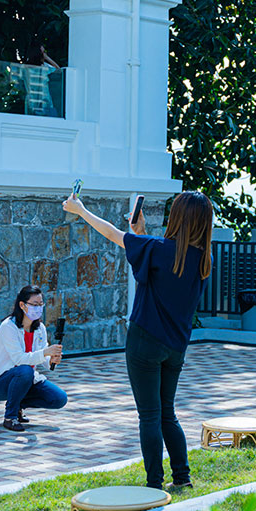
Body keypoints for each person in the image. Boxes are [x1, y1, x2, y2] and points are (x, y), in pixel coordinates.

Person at [62, 191, 213, 492]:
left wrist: (81, 211)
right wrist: (141, 233)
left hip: (145, 342)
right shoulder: (203, 259)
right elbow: (161, 262)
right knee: (167, 412)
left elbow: (113, 234)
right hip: (176, 347)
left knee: (149, 415)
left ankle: (154, 484)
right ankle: (182, 477)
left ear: (178, 218)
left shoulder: (157, 249)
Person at [0, 285, 69, 432]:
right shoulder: (8, 327)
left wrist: (52, 359)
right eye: (34, 304)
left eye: (41, 304)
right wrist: (45, 352)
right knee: (24, 370)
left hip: (25, 378)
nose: (39, 308)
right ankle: (10, 417)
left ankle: (17, 406)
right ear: (22, 305)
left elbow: (43, 360)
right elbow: (19, 359)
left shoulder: (40, 328)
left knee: (59, 398)